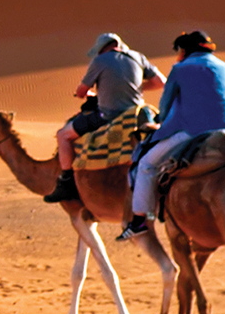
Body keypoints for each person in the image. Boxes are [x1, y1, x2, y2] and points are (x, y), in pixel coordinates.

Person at [119, 30, 225, 240]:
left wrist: (160, 122)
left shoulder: (180, 69)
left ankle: (139, 220)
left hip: (193, 131)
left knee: (146, 163)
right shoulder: (223, 66)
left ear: (185, 51)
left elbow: (165, 106)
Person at [42, 33, 165, 202]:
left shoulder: (99, 61)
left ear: (101, 49)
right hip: (136, 113)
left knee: (63, 135)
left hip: (108, 116)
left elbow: (81, 91)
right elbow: (161, 82)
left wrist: (89, 93)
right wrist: (136, 88)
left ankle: (67, 182)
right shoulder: (138, 57)